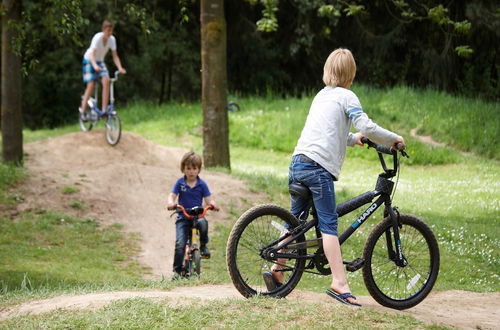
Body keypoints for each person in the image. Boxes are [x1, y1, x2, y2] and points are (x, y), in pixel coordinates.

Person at [267, 48, 404, 306]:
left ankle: (277, 270)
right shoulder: (348, 96)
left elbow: (330, 132)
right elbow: (366, 125)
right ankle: (340, 284)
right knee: (329, 225)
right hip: (318, 170)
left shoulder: (321, 96)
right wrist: (394, 139)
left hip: (298, 163)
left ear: (327, 71)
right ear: (351, 74)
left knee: (296, 223)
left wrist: (354, 140)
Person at [167, 151, 219, 278]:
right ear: (183, 169)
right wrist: (171, 203)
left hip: (197, 216)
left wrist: (213, 204)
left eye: (194, 168)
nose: (191, 171)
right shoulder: (180, 183)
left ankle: (204, 246)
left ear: (199, 170)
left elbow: (208, 199)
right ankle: (177, 271)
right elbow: (172, 195)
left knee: (204, 223)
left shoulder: (202, 184)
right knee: (180, 243)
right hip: (183, 216)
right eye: (188, 168)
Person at [79, 19, 126, 119]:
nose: (110, 33)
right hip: (89, 60)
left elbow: (115, 56)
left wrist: (120, 68)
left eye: (111, 30)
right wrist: (95, 66)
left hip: (100, 61)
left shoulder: (112, 40)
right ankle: (83, 111)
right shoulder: (97, 38)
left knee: (106, 81)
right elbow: (92, 54)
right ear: (103, 30)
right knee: (91, 84)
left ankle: (104, 110)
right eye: (108, 30)